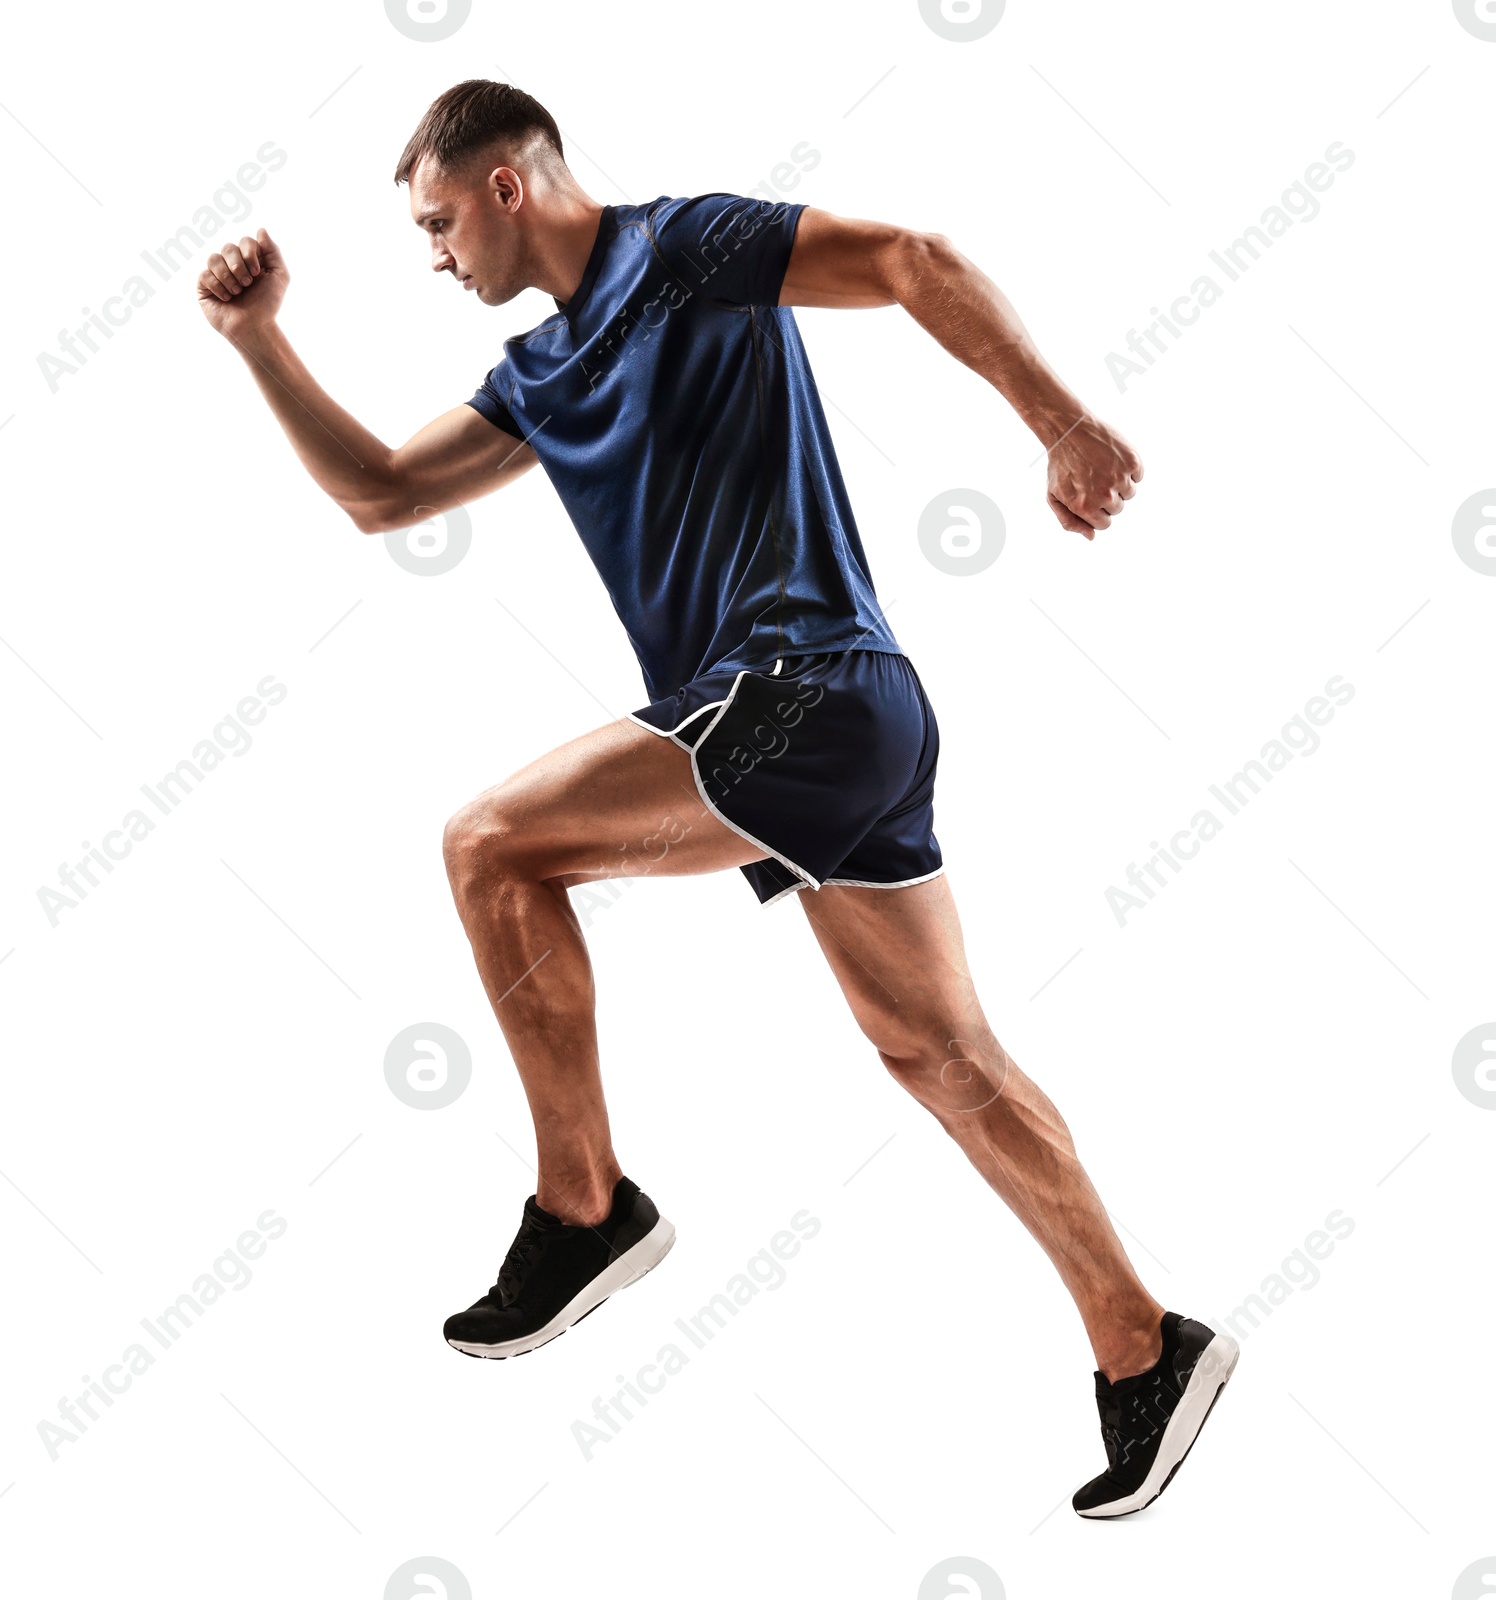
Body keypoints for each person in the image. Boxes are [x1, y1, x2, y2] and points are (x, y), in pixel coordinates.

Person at [196, 77, 1237, 1519]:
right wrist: (259, 343)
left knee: (491, 845)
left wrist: (1058, 420)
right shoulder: (540, 375)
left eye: (439, 220)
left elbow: (910, 261)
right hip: (814, 733)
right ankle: (1145, 1346)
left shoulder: (681, 248)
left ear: (508, 184)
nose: (436, 253)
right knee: (940, 1059)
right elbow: (378, 490)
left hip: (805, 686)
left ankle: (584, 1209)